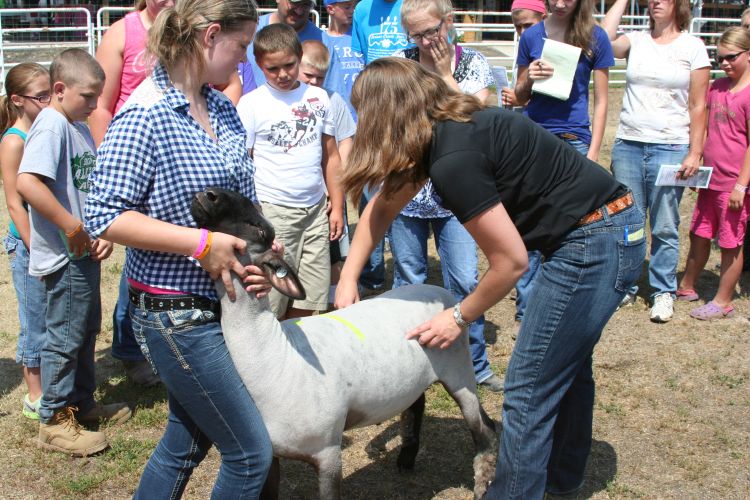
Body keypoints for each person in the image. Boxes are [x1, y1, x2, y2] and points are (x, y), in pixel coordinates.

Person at [334, 57, 645, 499]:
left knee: (529, 388)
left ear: (387, 115)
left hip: (594, 242)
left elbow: (510, 263)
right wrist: (348, 279)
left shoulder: (453, 157)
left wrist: (457, 317)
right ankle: (560, 480)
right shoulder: (449, 130)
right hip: (608, 228)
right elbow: (381, 208)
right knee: (567, 370)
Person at [85, 1, 275, 496]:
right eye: (241, 46)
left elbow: (244, 206)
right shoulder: (144, 115)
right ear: (210, 36)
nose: (245, 61)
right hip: (173, 310)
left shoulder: (223, 109)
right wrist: (200, 243)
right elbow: (103, 214)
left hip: (220, 303)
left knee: (185, 442)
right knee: (250, 454)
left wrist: (254, 264)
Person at [15, 49, 131, 456]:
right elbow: (28, 183)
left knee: (83, 330)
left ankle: (81, 402)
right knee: (64, 336)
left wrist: (98, 230)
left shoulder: (75, 125)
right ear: (60, 90)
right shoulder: (51, 125)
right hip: (64, 257)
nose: (96, 105)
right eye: (88, 96)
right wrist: (72, 226)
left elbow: (87, 188)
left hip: (82, 253)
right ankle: (54, 418)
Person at [389, 0, 501, 391]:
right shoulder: (400, 65)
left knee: (466, 281)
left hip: (459, 194)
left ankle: (475, 365)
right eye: (416, 34)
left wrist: (442, 74)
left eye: (431, 30)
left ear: (448, 22)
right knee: (408, 280)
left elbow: (476, 119)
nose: (424, 40)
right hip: (408, 190)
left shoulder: (473, 63)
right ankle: (409, 368)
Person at [603, 0, 710, 322]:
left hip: (670, 146)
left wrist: (695, 151)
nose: (655, 2)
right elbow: (603, 41)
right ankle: (625, 286)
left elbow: (698, 105)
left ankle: (663, 290)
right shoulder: (635, 40)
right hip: (629, 144)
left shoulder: (693, 47)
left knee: (664, 224)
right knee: (629, 222)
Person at [88, 0, 177, 388]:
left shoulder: (185, 28)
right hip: (133, 154)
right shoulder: (122, 33)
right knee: (137, 256)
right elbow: (101, 105)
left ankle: (161, 342)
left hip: (172, 158)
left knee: (160, 252)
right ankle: (129, 349)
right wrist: (113, 161)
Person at [237, 24, 345, 320]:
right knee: (274, 294)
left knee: (312, 293)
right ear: (259, 65)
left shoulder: (319, 98)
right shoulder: (251, 105)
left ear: (300, 58)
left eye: (289, 65)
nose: (283, 74)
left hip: (315, 210)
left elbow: (331, 156)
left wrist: (337, 205)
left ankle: (298, 347)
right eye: (273, 69)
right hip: (274, 211)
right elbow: (243, 163)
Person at [676, 27, 750, 320]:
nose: (725, 64)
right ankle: (687, 285)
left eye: (731, 57)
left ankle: (722, 301)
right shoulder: (717, 88)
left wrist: (741, 186)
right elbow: (705, 129)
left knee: (731, 242)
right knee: (699, 232)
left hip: (734, 183)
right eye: (720, 59)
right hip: (710, 179)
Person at [0, 62, 50, 420]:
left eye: (52, 93)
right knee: (33, 318)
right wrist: (33, 246)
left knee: (49, 316)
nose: (48, 102)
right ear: (17, 100)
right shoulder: (14, 142)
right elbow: (15, 203)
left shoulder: (42, 132)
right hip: (28, 245)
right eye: (41, 96)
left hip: (47, 241)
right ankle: (35, 395)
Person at [299, 39, 356, 300]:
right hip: (300, 188)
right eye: (308, 75)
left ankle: (332, 299)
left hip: (329, 188)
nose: (313, 82)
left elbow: (345, 141)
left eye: (319, 77)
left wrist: (337, 181)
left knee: (333, 248)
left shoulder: (333, 100)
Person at [238, 0, 323, 95]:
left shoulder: (323, 42)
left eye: (306, 5)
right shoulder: (247, 31)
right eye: (294, 3)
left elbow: (332, 97)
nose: (299, 11)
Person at [322, 0, 364, 118]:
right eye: (347, 7)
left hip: (362, 109)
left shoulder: (360, 34)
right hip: (335, 111)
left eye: (353, 6)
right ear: (331, 9)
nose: (352, 11)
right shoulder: (322, 40)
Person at [500, 0, 546, 108]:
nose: (523, 32)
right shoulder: (525, 46)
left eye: (528, 25)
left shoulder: (551, 48)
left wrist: (520, 100)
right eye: (518, 27)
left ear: (544, 19)